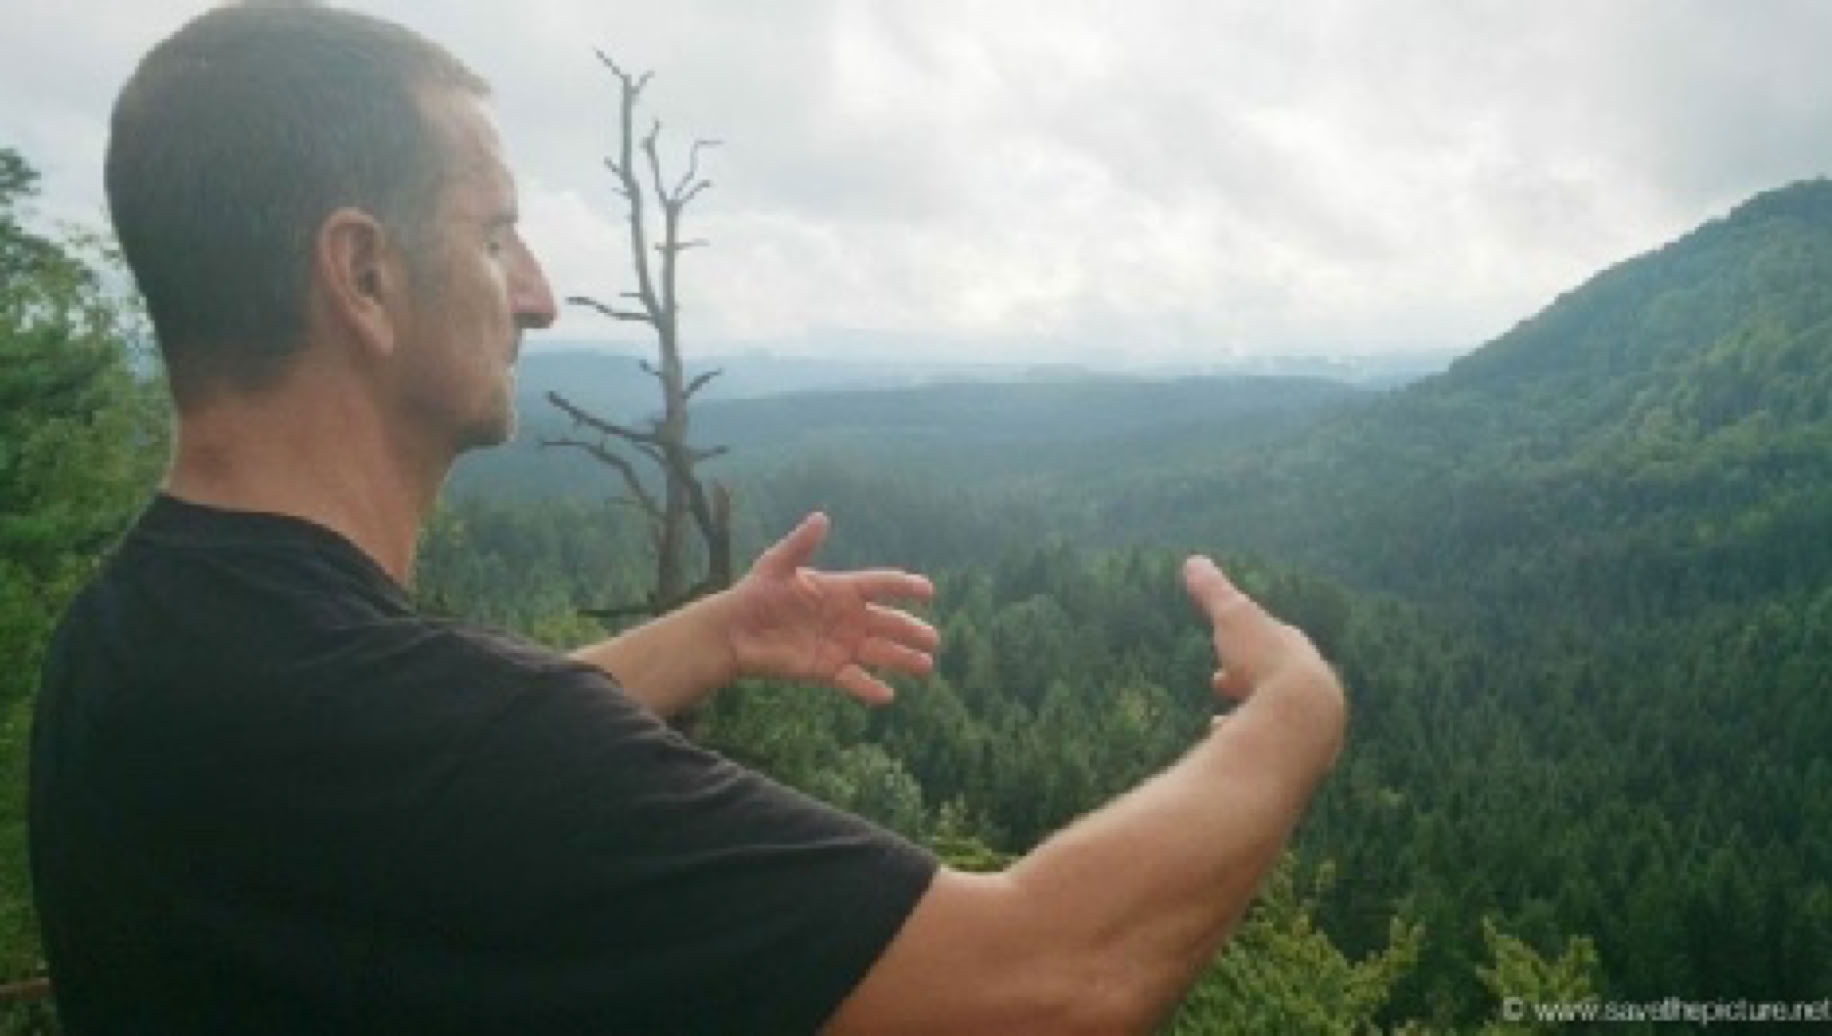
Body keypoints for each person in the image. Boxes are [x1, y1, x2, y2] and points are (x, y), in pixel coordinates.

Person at [29, 3, 1347, 1033]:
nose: (539, 298)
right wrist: (1294, 719)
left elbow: (407, 768)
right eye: (496, 237)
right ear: (364, 275)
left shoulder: (125, 643)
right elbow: (1050, 981)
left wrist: (710, 637)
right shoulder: (423, 743)